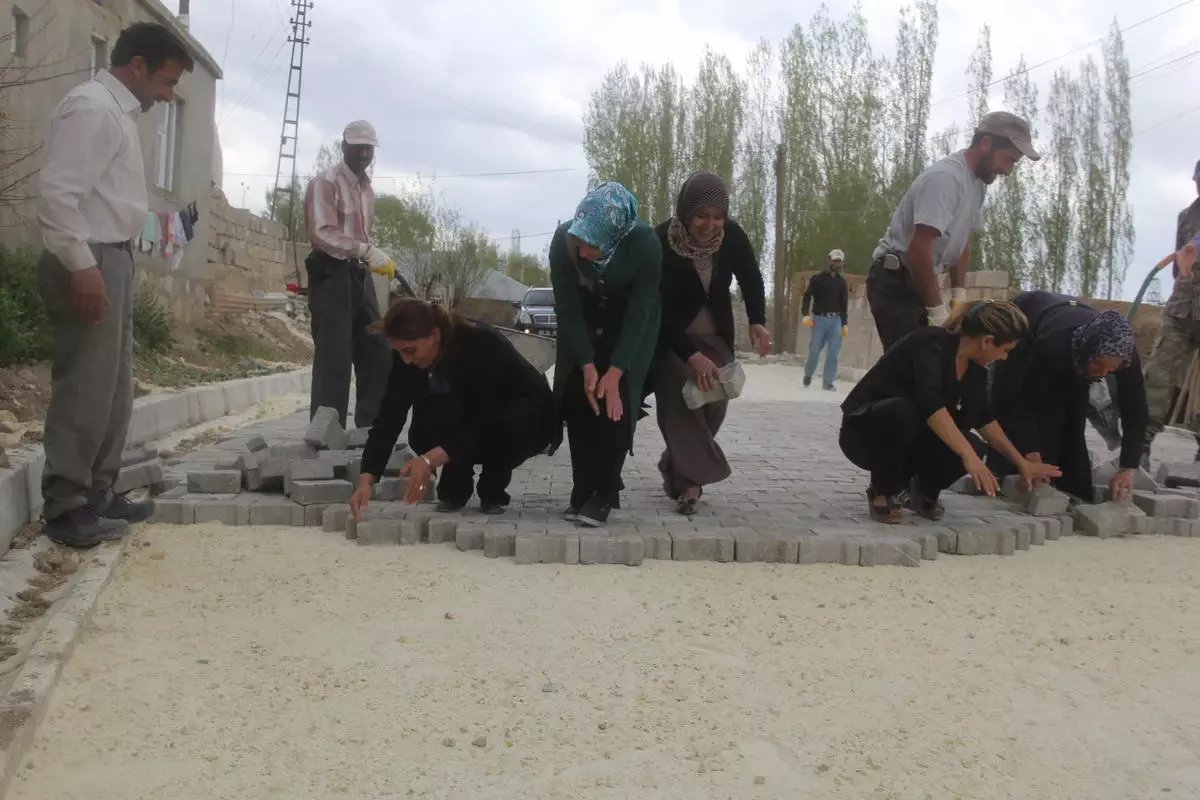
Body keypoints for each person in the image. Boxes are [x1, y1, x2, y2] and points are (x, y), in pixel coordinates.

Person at [35, 23, 193, 547]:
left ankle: (98, 492)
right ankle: (65, 506)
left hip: (113, 258)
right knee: (85, 385)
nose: (167, 95)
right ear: (140, 66)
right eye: (167, 82)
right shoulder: (92, 110)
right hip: (90, 259)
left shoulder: (119, 114)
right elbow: (58, 197)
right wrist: (82, 267)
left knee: (114, 388)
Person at [839, 301, 1061, 523]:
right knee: (903, 412)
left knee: (974, 445)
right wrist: (970, 459)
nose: (1004, 358)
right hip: (867, 435)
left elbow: (985, 421)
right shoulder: (928, 344)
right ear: (987, 341)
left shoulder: (975, 369)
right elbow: (931, 406)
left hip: (910, 439)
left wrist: (1022, 463)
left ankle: (922, 490)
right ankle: (883, 490)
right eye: (1005, 351)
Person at [349, 298, 554, 518]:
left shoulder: (481, 343)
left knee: (503, 424)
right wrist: (366, 479)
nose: (405, 360)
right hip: (475, 414)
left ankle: (492, 488)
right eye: (399, 352)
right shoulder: (406, 356)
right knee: (428, 425)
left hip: (523, 414)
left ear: (435, 335)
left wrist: (430, 459)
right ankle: (455, 488)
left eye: (410, 350)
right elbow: (389, 416)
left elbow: (487, 416)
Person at [868, 111, 1040, 350]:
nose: (1008, 170)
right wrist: (937, 311)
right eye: (1008, 159)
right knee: (909, 364)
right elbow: (918, 249)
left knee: (923, 365)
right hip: (896, 281)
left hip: (915, 279)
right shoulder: (946, 179)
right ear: (985, 144)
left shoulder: (978, 184)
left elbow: (962, 242)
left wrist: (959, 296)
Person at [653, 171, 770, 515]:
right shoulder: (660, 241)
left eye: (717, 217)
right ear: (686, 211)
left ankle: (676, 460)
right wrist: (690, 356)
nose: (710, 225)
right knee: (681, 391)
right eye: (701, 216)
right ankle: (691, 482)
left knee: (716, 394)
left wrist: (757, 321)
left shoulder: (731, 237)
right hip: (670, 338)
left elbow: (751, 277)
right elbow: (657, 310)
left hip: (714, 331)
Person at [549, 182, 661, 527]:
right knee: (578, 397)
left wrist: (615, 372)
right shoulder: (563, 241)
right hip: (581, 321)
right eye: (580, 242)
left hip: (629, 326)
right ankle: (583, 488)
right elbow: (566, 306)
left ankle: (604, 493)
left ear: (614, 236)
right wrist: (585, 364)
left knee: (617, 404)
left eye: (592, 245)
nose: (583, 252)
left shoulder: (645, 244)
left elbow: (640, 310)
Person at [988, 292, 1145, 502]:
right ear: (1088, 351)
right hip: (1027, 324)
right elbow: (1021, 402)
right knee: (1021, 408)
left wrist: (1128, 467)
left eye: (1111, 369)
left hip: (1074, 345)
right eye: (1098, 364)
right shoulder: (1053, 347)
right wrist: (1030, 452)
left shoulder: (1125, 356)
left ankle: (1073, 492)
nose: (1102, 373)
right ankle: (999, 480)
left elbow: (1136, 410)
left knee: (1072, 421)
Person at [303, 120, 393, 431]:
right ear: (344, 147)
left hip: (358, 274)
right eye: (358, 147)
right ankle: (327, 437)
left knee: (377, 350)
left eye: (369, 148)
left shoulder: (366, 189)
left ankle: (370, 430)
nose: (364, 153)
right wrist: (365, 251)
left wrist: (374, 253)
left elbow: (360, 236)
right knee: (335, 356)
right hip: (330, 274)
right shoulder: (325, 183)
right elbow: (321, 233)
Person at [1142, 158, 1200, 463]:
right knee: (1158, 377)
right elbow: (1181, 263)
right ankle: (1141, 442)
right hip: (1182, 311)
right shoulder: (1186, 216)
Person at [801, 249, 849, 391]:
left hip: (835, 320)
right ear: (829, 261)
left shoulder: (842, 283)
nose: (836, 263)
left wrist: (844, 323)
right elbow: (807, 296)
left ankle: (828, 382)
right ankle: (808, 374)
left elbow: (844, 303)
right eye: (834, 260)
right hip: (819, 320)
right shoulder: (817, 279)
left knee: (833, 352)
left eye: (839, 261)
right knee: (815, 350)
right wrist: (805, 314)